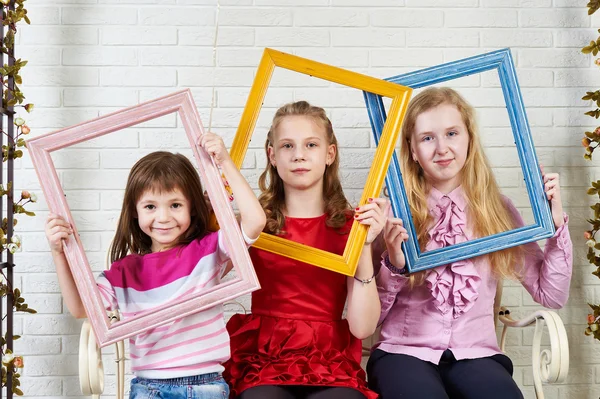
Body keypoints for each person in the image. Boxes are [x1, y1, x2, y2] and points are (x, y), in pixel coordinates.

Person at [366, 87, 573, 399]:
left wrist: (556, 226)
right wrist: (394, 266)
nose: (441, 148)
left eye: (452, 133)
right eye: (427, 138)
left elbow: (551, 294)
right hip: (403, 351)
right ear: (411, 149)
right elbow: (370, 320)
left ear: (469, 139)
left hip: (476, 354)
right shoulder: (393, 212)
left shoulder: (497, 210)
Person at [45, 134, 266, 398]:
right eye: (150, 206)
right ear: (135, 211)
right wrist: (59, 253)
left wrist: (225, 163)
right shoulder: (125, 273)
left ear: (192, 208)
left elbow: (255, 222)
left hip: (205, 386)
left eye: (175, 205)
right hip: (149, 388)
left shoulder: (208, 250)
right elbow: (81, 307)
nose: (163, 217)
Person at [224, 101, 385, 399]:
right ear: (272, 155)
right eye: (287, 146)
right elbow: (204, 277)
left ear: (329, 153)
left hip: (329, 359)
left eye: (310, 144)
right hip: (265, 355)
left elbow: (362, 328)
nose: (298, 155)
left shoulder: (353, 226)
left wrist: (364, 246)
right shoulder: (254, 224)